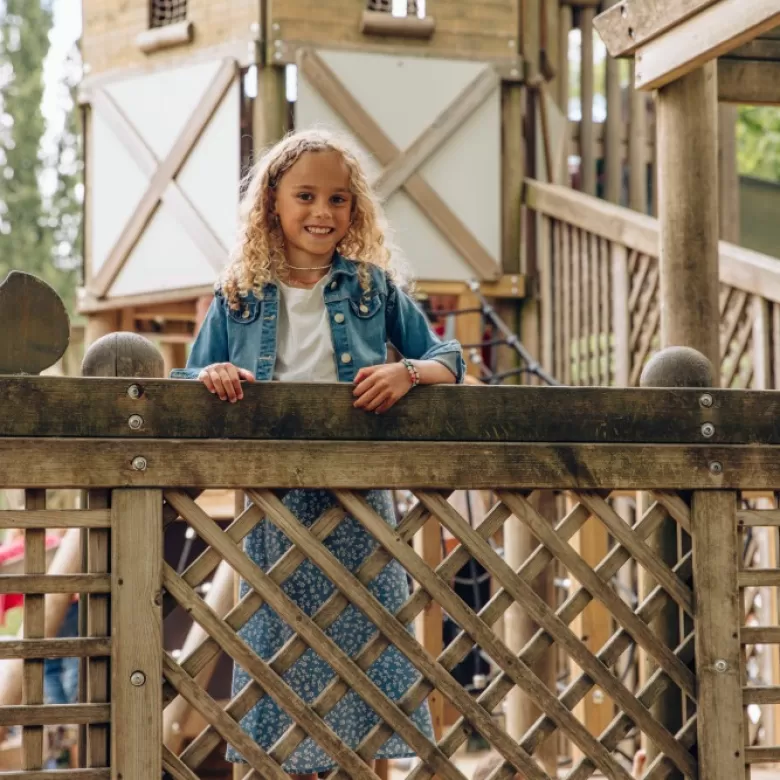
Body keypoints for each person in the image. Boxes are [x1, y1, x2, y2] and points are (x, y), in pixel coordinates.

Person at [171, 129, 465, 779]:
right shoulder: (239, 293)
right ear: (272, 203)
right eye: (305, 196)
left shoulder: (372, 289)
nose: (322, 212)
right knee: (278, 653)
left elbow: (450, 358)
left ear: (354, 211)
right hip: (273, 503)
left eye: (338, 199)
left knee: (368, 651)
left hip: (359, 498)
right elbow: (186, 378)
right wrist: (214, 374)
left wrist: (406, 374)